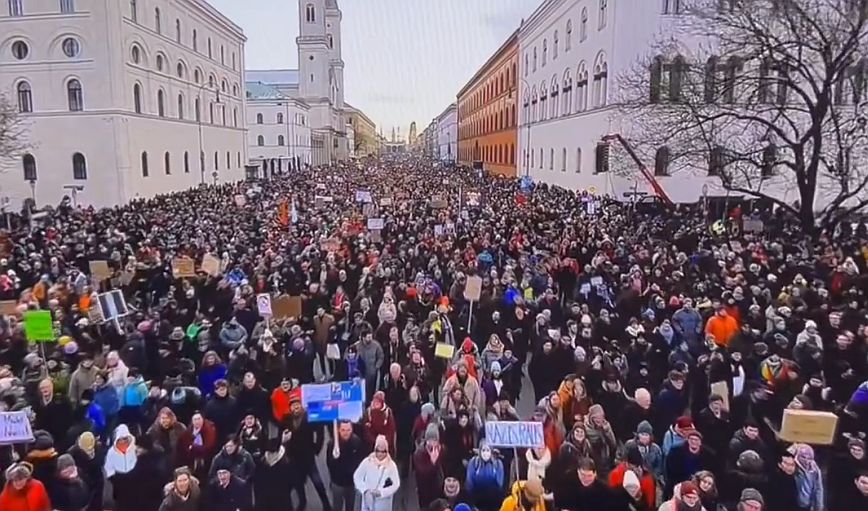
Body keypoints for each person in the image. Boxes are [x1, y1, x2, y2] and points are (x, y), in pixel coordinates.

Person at [327, 420, 367, 511]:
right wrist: (334, 458)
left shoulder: (357, 442)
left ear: (352, 429)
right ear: (338, 430)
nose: (346, 433)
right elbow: (329, 464)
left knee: (350, 507)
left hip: (351, 483)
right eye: (343, 430)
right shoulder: (332, 444)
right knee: (337, 507)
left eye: (348, 430)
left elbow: (360, 460)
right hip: (338, 483)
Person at [354, 434, 400, 511]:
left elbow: (396, 484)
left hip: (383, 504)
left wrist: (381, 492)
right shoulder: (367, 461)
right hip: (367, 503)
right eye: (378, 451)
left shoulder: (391, 465)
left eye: (383, 451)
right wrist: (365, 491)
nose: (380, 454)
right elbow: (357, 476)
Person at [464, 440, 504, 511]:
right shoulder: (473, 462)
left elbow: (500, 484)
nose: (485, 453)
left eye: (488, 450)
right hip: (476, 502)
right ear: (480, 450)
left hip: (493, 503)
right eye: (483, 450)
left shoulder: (498, 464)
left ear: (491, 451)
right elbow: (469, 483)